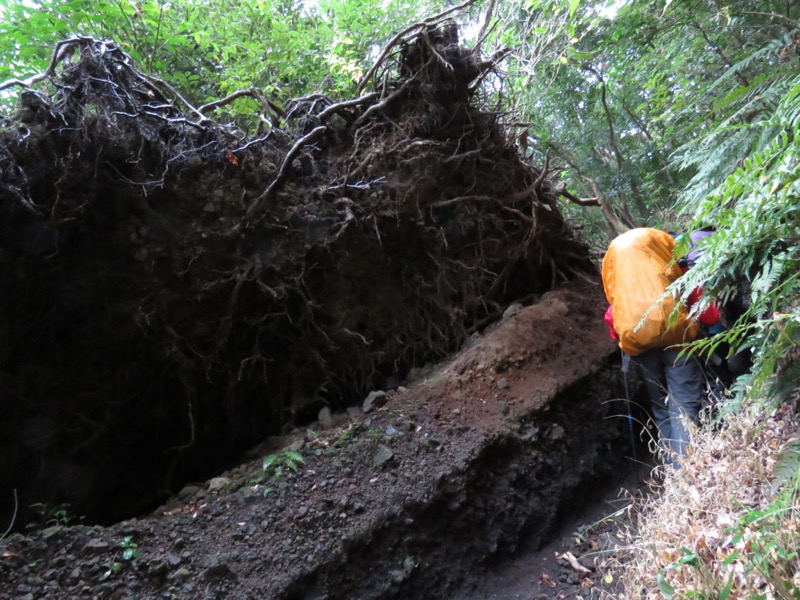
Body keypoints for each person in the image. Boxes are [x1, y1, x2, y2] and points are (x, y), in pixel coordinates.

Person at [602, 227, 715, 466]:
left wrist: (622, 337)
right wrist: (712, 326)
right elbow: (694, 294)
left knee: (661, 409)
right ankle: (685, 475)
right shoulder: (665, 252)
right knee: (683, 408)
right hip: (675, 337)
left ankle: (672, 471)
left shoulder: (620, 275)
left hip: (640, 346)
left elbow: (612, 314)